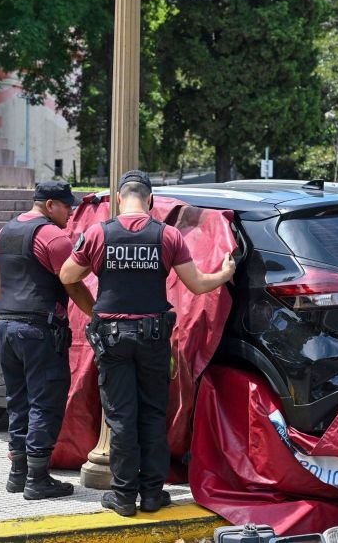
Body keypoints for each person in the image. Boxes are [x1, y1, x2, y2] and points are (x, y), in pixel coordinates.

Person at [59, 170, 235, 517]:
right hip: (153, 337)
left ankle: (124, 496)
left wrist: (94, 311)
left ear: (120, 199)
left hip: (112, 339)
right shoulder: (167, 235)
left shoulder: (99, 233)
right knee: (153, 413)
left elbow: (67, 276)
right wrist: (225, 273)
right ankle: (152, 494)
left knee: (121, 416)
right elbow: (198, 284)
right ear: (150, 200)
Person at [0, 180, 94, 500]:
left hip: (7, 328)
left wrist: (9, 312)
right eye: (66, 206)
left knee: (18, 401)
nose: (71, 212)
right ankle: (37, 478)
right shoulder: (52, 236)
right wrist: (96, 314)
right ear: (50, 205)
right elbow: (72, 282)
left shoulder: (6, 231)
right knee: (44, 403)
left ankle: (17, 474)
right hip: (40, 331)